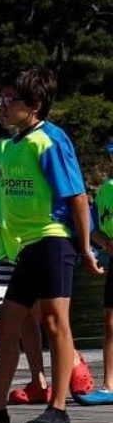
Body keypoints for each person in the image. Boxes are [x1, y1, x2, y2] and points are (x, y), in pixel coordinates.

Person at [0, 70, 102, 423]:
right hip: (22, 246)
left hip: (53, 238)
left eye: (10, 100)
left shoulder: (49, 141)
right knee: (5, 324)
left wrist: (84, 247)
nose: (1, 107)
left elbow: (78, 197)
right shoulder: (6, 146)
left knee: (55, 321)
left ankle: (58, 406)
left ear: (34, 106)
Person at [0, 135, 50, 404]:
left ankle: (60, 377)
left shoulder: (42, 143)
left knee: (45, 315)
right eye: (0, 101)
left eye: (9, 100)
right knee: (24, 318)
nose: (3, 107)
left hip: (35, 242)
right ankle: (38, 380)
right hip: (6, 246)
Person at [86, 142, 113, 402]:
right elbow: (92, 227)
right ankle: (109, 385)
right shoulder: (107, 189)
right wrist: (105, 243)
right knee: (110, 324)